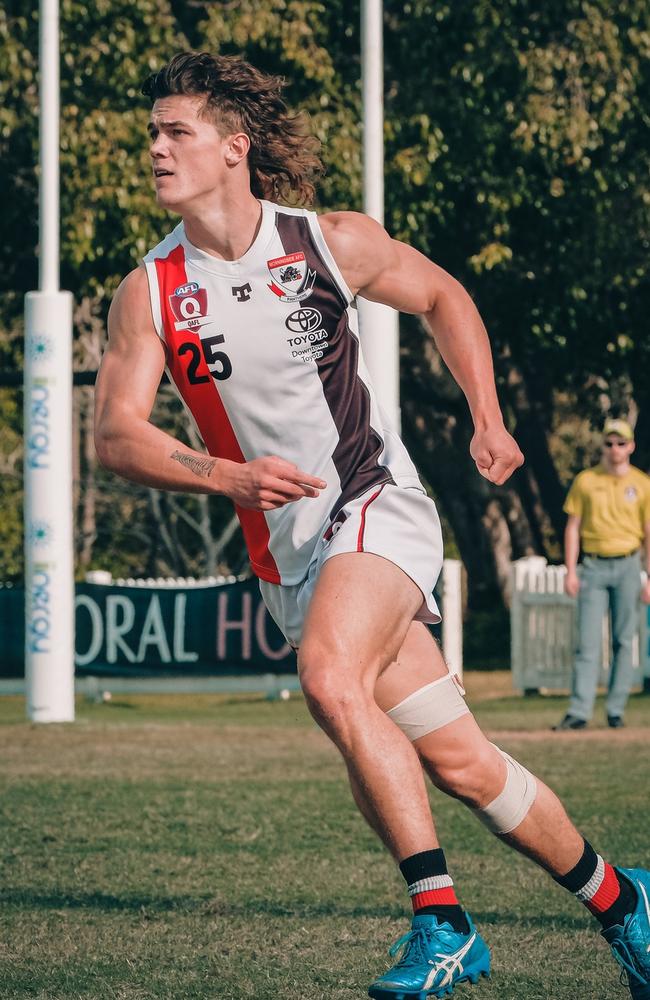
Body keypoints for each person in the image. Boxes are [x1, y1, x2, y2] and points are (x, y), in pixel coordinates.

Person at [94, 52, 650, 1000]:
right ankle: (622, 901)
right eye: (151, 132)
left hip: (375, 508)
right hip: (290, 559)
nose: (154, 148)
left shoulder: (327, 241)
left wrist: (486, 414)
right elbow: (113, 434)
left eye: (174, 131)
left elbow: (443, 295)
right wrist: (226, 474)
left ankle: (443, 923)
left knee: (327, 675)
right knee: (466, 766)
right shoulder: (148, 292)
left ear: (234, 148)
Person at [555, 419, 650, 732]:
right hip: (594, 566)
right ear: (603, 447)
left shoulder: (642, 483)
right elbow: (573, 527)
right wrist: (571, 570)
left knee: (624, 640)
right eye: (609, 443)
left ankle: (615, 710)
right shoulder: (585, 481)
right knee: (588, 644)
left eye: (621, 443)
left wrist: (648, 577)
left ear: (631, 446)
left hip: (628, 564)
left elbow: (648, 534)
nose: (615, 449)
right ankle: (579, 711)